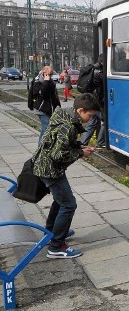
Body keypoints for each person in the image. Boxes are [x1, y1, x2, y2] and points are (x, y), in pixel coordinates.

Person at [33, 93, 101, 258]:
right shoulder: (68, 126)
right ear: (80, 110)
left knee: (61, 200)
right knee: (69, 204)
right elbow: (58, 155)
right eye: (90, 115)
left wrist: (80, 146)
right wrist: (80, 153)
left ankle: (51, 232)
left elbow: (61, 143)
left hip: (47, 166)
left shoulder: (64, 116)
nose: (90, 119)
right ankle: (56, 246)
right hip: (50, 169)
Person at [28, 65, 61, 143]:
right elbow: (41, 93)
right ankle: (41, 147)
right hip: (41, 109)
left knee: (45, 129)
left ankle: (42, 147)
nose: (50, 76)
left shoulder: (51, 82)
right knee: (47, 129)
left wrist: (58, 106)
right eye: (48, 74)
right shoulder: (37, 82)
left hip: (49, 109)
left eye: (51, 74)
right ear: (43, 73)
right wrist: (46, 81)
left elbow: (54, 96)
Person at [80, 54, 106, 147]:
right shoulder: (99, 71)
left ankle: (83, 143)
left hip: (93, 98)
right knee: (105, 120)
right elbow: (106, 81)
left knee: (93, 122)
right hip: (98, 100)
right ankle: (101, 142)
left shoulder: (93, 68)